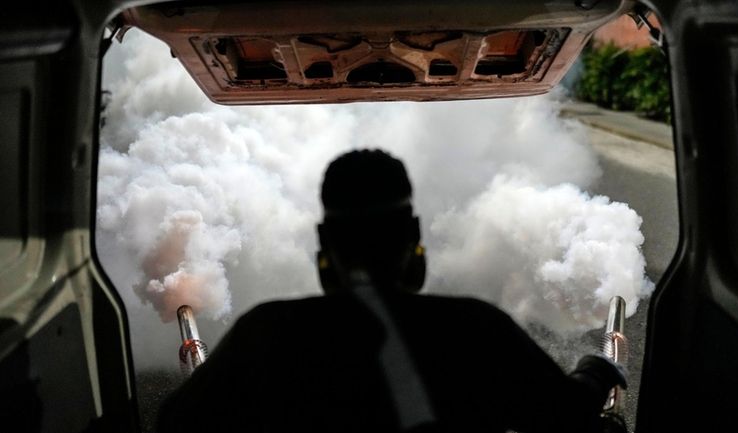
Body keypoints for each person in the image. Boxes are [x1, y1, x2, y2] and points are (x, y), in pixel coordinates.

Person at [157, 149, 625, 433]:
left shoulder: (266, 332)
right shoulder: (475, 327)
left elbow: (176, 427)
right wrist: (597, 369)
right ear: (413, 233)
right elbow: (569, 419)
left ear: (324, 242)